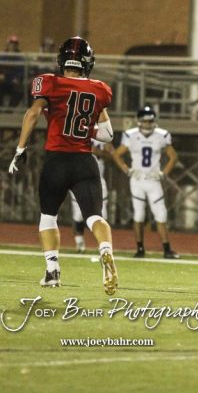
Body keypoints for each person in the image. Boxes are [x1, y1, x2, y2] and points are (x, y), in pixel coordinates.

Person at [7, 36, 118, 295]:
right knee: (94, 217)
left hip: (57, 161)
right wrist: (85, 129)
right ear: (87, 62)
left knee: (48, 216)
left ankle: (52, 271)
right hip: (84, 162)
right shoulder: (99, 89)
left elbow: (32, 113)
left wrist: (20, 148)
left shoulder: (49, 83)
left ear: (62, 60)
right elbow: (107, 135)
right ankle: (105, 250)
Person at [113, 106, 180, 259]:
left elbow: (173, 157)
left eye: (150, 121)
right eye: (145, 121)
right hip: (137, 180)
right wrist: (126, 170)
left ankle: (167, 250)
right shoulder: (130, 135)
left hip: (153, 180)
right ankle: (140, 249)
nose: (148, 124)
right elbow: (117, 154)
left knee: (161, 214)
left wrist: (163, 174)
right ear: (139, 121)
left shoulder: (161, 135)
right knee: (139, 214)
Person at [70, 140, 113, 253]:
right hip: (77, 180)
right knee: (78, 215)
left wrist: (100, 152)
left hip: (97, 181)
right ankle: (79, 243)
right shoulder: (72, 135)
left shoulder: (102, 136)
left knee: (102, 215)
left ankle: (104, 246)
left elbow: (112, 156)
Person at [0, 35, 25, 107]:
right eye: (11, 43)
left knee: (20, 90)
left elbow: (22, 70)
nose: (13, 45)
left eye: (15, 43)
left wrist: (18, 78)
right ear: (8, 44)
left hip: (14, 82)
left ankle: (10, 110)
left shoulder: (20, 57)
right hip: (3, 81)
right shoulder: (2, 56)